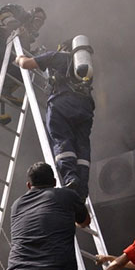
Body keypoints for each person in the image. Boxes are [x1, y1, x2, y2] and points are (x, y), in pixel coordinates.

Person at [16, 39, 94, 201]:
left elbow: (26, 64)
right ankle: (82, 189)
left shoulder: (57, 56)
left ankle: (70, 177)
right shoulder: (85, 69)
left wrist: (18, 58)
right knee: (82, 146)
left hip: (62, 102)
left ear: (63, 48)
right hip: (85, 107)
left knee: (61, 140)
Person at [0, 4, 46, 126]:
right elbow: (3, 13)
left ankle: (5, 91)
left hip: (2, 55)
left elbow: (22, 52)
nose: (38, 24)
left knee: (23, 72)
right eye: (37, 20)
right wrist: (16, 25)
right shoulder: (19, 12)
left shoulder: (25, 35)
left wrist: (35, 55)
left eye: (41, 23)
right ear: (31, 16)